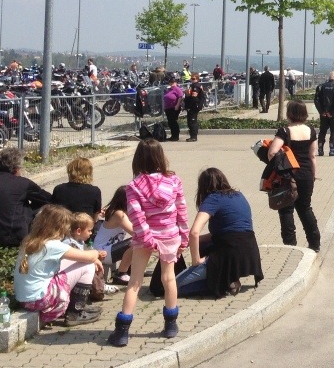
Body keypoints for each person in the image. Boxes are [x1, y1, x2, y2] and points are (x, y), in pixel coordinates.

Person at [106, 139, 189, 347]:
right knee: (169, 278)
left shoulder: (134, 186)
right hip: (170, 235)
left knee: (134, 282)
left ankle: (122, 332)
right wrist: (184, 235)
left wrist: (147, 238)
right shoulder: (174, 181)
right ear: (161, 156)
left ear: (138, 159)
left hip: (145, 238)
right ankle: (170, 325)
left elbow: (136, 215)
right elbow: (181, 210)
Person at [13, 204, 105, 327]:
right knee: (87, 265)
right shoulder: (53, 245)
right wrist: (96, 255)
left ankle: (77, 306)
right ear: (59, 227)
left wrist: (91, 258)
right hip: (40, 300)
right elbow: (89, 257)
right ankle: (75, 311)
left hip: (25, 300)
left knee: (79, 261)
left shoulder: (30, 241)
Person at [188, 168, 263, 298]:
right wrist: (190, 241)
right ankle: (231, 277)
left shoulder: (213, 198)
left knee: (169, 287)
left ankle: (225, 279)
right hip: (250, 251)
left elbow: (194, 232)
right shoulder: (239, 195)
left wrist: (196, 261)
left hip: (229, 253)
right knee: (199, 244)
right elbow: (227, 232)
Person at [0, 147, 52, 246]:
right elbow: (47, 199)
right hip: (8, 238)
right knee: (44, 207)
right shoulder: (22, 183)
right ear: (16, 169)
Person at [269, 100, 321, 251]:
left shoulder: (284, 131)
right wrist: (313, 175)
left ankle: (290, 246)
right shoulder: (311, 131)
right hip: (306, 174)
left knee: (286, 209)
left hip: (288, 176)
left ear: (289, 113)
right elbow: (312, 156)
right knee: (305, 208)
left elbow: (272, 152)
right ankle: (314, 244)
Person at [95, 186, 134, 285]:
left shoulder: (118, 211)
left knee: (138, 242)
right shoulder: (119, 214)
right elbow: (136, 232)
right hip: (103, 251)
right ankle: (121, 274)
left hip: (108, 249)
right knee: (136, 242)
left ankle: (130, 270)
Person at [314, 71, 334, 156]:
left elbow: (316, 100)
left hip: (323, 114)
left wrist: (322, 111)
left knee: (322, 131)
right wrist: (332, 112)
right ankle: (332, 150)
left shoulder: (321, 86)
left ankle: (320, 150)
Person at [161, 77, 185, 142]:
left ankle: (176, 136)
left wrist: (177, 105)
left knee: (173, 121)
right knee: (170, 122)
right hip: (168, 108)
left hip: (174, 107)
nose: (172, 84)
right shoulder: (169, 89)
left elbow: (180, 97)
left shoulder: (177, 89)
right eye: (171, 82)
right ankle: (173, 135)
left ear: (176, 83)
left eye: (173, 82)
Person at [184, 74, 206, 142]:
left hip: (194, 106)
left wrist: (189, 105)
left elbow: (194, 97)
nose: (192, 80)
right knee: (191, 121)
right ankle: (192, 136)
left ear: (197, 79)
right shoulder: (194, 85)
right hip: (194, 105)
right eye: (191, 78)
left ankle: (193, 137)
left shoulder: (196, 86)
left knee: (192, 121)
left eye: (194, 79)